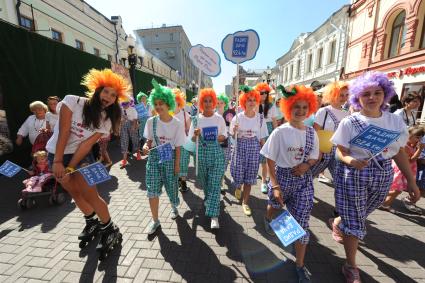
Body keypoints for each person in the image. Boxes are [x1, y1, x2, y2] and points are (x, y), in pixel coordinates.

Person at [330, 72, 420, 283]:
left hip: (383, 173)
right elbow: (339, 151)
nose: (372, 97)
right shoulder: (350, 122)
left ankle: (339, 221)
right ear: (357, 98)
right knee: (356, 222)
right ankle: (351, 266)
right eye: (366, 94)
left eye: (377, 93)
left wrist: (411, 181)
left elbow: (398, 152)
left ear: (385, 94)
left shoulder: (394, 122)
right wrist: (350, 160)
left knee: (359, 213)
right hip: (353, 174)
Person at [46, 68, 127, 257]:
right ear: (98, 90)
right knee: (73, 191)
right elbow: (64, 131)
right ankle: (91, 221)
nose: (108, 96)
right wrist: (58, 161)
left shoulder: (106, 120)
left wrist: (71, 166)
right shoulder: (72, 101)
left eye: (113, 95)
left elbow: (85, 145)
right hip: (55, 152)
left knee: (90, 195)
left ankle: (109, 228)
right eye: (106, 91)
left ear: (115, 100)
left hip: (81, 157)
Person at [261, 85, 319, 283]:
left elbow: (315, 156)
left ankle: (300, 265)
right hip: (282, 178)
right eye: (297, 107)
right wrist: (275, 186)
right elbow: (269, 159)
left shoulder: (311, 132)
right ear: (288, 108)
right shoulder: (280, 132)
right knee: (275, 205)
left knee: (302, 225)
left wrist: (306, 165)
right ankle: (268, 219)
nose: (301, 111)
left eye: (304, 107)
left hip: (303, 182)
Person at [143, 80, 185, 235]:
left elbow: (179, 146)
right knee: (152, 190)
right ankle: (155, 221)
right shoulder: (150, 121)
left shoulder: (178, 123)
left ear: (169, 104)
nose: (158, 106)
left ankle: (174, 205)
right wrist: (146, 147)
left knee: (172, 188)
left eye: (162, 103)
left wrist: (177, 165)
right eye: (156, 103)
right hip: (154, 159)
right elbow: (148, 141)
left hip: (170, 158)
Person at [189, 88, 227, 229]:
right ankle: (209, 199)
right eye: (205, 101)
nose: (208, 103)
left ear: (214, 102)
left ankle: (214, 216)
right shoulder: (196, 119)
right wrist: (195, 134)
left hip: (216, 154)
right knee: (205, 182)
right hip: (201, 155)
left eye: (210, 101)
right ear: (201, 103)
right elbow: (191, 140)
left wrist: (218, 137)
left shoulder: (219, 118)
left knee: (215, 184)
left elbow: (224, 136)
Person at [230, 86, 268, 216]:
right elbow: (231, 135)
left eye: (253, 100)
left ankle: (245, 202)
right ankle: (238, 186)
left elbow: (262, 137)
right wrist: (234, 130)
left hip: (254, 148)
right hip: (240, 147)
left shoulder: (260, 118)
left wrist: (265, 152)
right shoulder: (237, 117)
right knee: (238, 173)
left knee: (250, 176)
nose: (251, 102)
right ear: (243, 102)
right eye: (248, 100)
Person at [311, 82, 349, 183]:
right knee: (308, 176)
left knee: (340, 180)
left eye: (346, 95)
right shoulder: (323, 111)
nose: (344, 98)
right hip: (323, 151)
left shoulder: (347, 113)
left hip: (339, 151)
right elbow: (315, 131)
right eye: (341, 95)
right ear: (332, 95)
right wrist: (317, 151)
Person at [380, 125, 424, 213]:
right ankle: (378, 196)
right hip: (401, 170)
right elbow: (410, 160)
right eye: (417, 137)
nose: (419, 140)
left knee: (398, 190)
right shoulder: (404, 146)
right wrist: (419, 150)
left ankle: (385, 204)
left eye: (420, 138)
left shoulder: (412, 145)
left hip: (406, 171)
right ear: (409, 135)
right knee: (397, 189)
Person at [255, 83, 278, 194]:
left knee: (266, 157)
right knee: (256, 156)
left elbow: (274, 120)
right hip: (256, 130)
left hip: (268, 130)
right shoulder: (254, 104)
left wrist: (276, 134)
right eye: (261, 92)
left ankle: (264, 181)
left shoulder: (271, 105)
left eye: (266, 92)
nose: (264, 95)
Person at [172, 88, 191, 192]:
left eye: (175, 99)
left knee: (183, 163)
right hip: (171, 145)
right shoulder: (167, 114)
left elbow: (189, 129)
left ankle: (183, 182)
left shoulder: (185, 115)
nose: (173, 101)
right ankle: (177, 179)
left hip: (183, 144)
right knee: (174, 163)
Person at [119, 97, 141, 167]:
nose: (124, 105)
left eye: (126, 103)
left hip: (132, 125)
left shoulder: (133, 109)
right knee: (124, 141)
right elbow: (119, 120)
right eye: (123, 104)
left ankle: (138, 153)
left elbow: (135, 119)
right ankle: (124, 160)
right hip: (123, 126)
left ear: (129, 103)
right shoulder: (121, 110)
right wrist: (120, 125)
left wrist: (134, 127)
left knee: (135, 139)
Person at [216, 93, 231, 191]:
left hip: (226, 141)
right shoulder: (214, 115)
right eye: (218, 103)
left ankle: (221, 179)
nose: (220, 104)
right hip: (216, 141)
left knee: (224, 161)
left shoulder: (229, 115)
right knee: (217, 162)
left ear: (225, 104)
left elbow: (232, 128)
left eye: (222, 103)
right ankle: (219, 181)